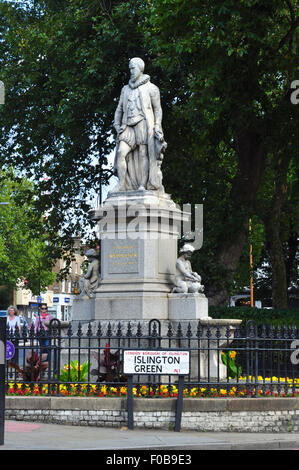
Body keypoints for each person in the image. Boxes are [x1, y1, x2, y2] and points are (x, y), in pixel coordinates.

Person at [113, 57, 167, 192]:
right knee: (120, 153)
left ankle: (143, 185)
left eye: (133, 68)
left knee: (144, 154)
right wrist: (116, 124)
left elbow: (157, 109)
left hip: (143, 124)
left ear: (140, 68)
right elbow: (119, 109)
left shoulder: (151, 88)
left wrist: (157, 125)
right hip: (128, 126)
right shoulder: (125, 89)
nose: (131, 71)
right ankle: (122, 184)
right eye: (130, 68)